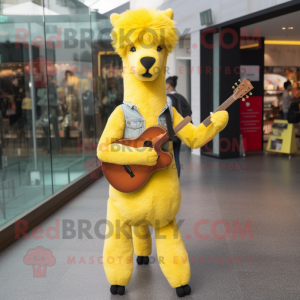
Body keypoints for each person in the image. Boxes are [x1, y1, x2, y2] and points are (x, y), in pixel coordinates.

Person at [166, 76, 192, 178]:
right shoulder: (182, 97)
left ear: (168, 85)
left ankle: (172, 180)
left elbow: (167, 115)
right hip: (181, 131)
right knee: (176, 155)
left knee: (169, 156)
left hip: (171, 132)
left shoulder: (168, 98)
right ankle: (177, 178)